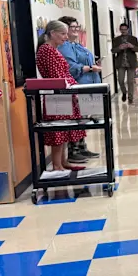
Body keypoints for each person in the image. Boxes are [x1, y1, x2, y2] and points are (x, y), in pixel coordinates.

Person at [35, 20, 87, 171]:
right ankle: (57, 165)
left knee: (64, 131)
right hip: (57, 97)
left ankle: (63, 162)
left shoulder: (54, 49)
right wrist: (73, 86)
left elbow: (63, 75)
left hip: (63, 95)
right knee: (58, 132)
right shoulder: (47, 50)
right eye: (63, 34)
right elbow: (57, 77)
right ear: (52, 33)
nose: (66, 37)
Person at [57, 15, 101, 161]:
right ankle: (74, 150)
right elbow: (71, 67)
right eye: (73, 27)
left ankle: (82, 147)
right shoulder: (64, 47)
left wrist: (93, 65)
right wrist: (90, 68)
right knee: (77, 119)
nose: (76, 29)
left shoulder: (76, 45)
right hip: (78, 85)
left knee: (84, 118)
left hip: (88, 84)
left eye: (77, 26)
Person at [112, 23, 138, 104]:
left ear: (128, 30)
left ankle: (130, 98)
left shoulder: (133, 39)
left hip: (131, 63)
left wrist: (132, 46)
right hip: (121, 63)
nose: (123, 31)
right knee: (120, 80)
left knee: (130, 81)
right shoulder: (116, 39)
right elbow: (113, 50)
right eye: (122, 29)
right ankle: (124, 92)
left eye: (125, 29)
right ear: (120, 30)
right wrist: (119, 48)